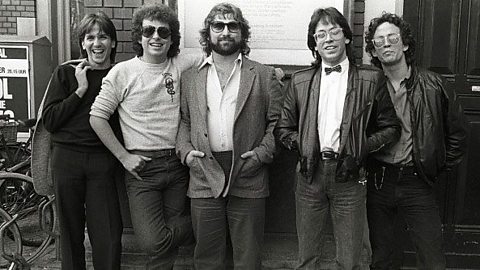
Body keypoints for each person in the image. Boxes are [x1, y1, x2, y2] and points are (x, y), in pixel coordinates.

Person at [274, 7, 401, 269]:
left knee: (350, 258)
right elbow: (282, 130)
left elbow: (391, 128)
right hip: (309, 175)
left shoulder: (370, 78)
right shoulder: (299, 81)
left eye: (334, 32)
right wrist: (306, 145)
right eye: (321, 35)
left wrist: (361, 147)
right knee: (307, 257)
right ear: (315, 45)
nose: (328, 39)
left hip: (350, 176)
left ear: (345, 37)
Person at [89, 4, 202, 269]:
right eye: (149, 30)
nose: (156, 37)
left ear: (172, 38)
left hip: (176, 163)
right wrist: (124, 157)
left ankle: (210, 221)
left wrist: (271, 73)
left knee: (162, 252)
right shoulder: (122, 72)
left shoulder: (181, 63)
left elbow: (221, 55)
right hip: (142, 170)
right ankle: (209, 223)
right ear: (139, 36)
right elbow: (97, 117)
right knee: (153, 242)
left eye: (163, 32)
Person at [175, 3, 283, 269]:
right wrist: (187, 153)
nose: (225, 32)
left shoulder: (264, 75)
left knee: (248, 258)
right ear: (208, 33)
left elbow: (278, 125)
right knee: (207, 258)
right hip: (203, 173)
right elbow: (184, 122)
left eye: (232, 26)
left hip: (249, 173)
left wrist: (260, 155)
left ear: (242, 33)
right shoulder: (190, 77)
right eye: (218, 26)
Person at [364, 13, 467, 270]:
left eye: (392, 38)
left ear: (405, 44)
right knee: (383, 258)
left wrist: (433, 167)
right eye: (379, 41)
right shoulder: (367, 87)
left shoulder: (434, 85)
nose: (386, 44)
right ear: (374, 52)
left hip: (417, 181)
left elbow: (458, 135)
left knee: (432, 259)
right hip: (379, 181)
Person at [39, 11, 123, 270]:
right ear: (83, 43)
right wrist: (80, 90)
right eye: (90, 38)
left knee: (108, 234)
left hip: (103, 161)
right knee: (71, 232)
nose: (97, 43)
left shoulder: (121, 75)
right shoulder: (66, 72)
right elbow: (50, 120)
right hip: (67, 160)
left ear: (113, 43)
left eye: (103, 37)